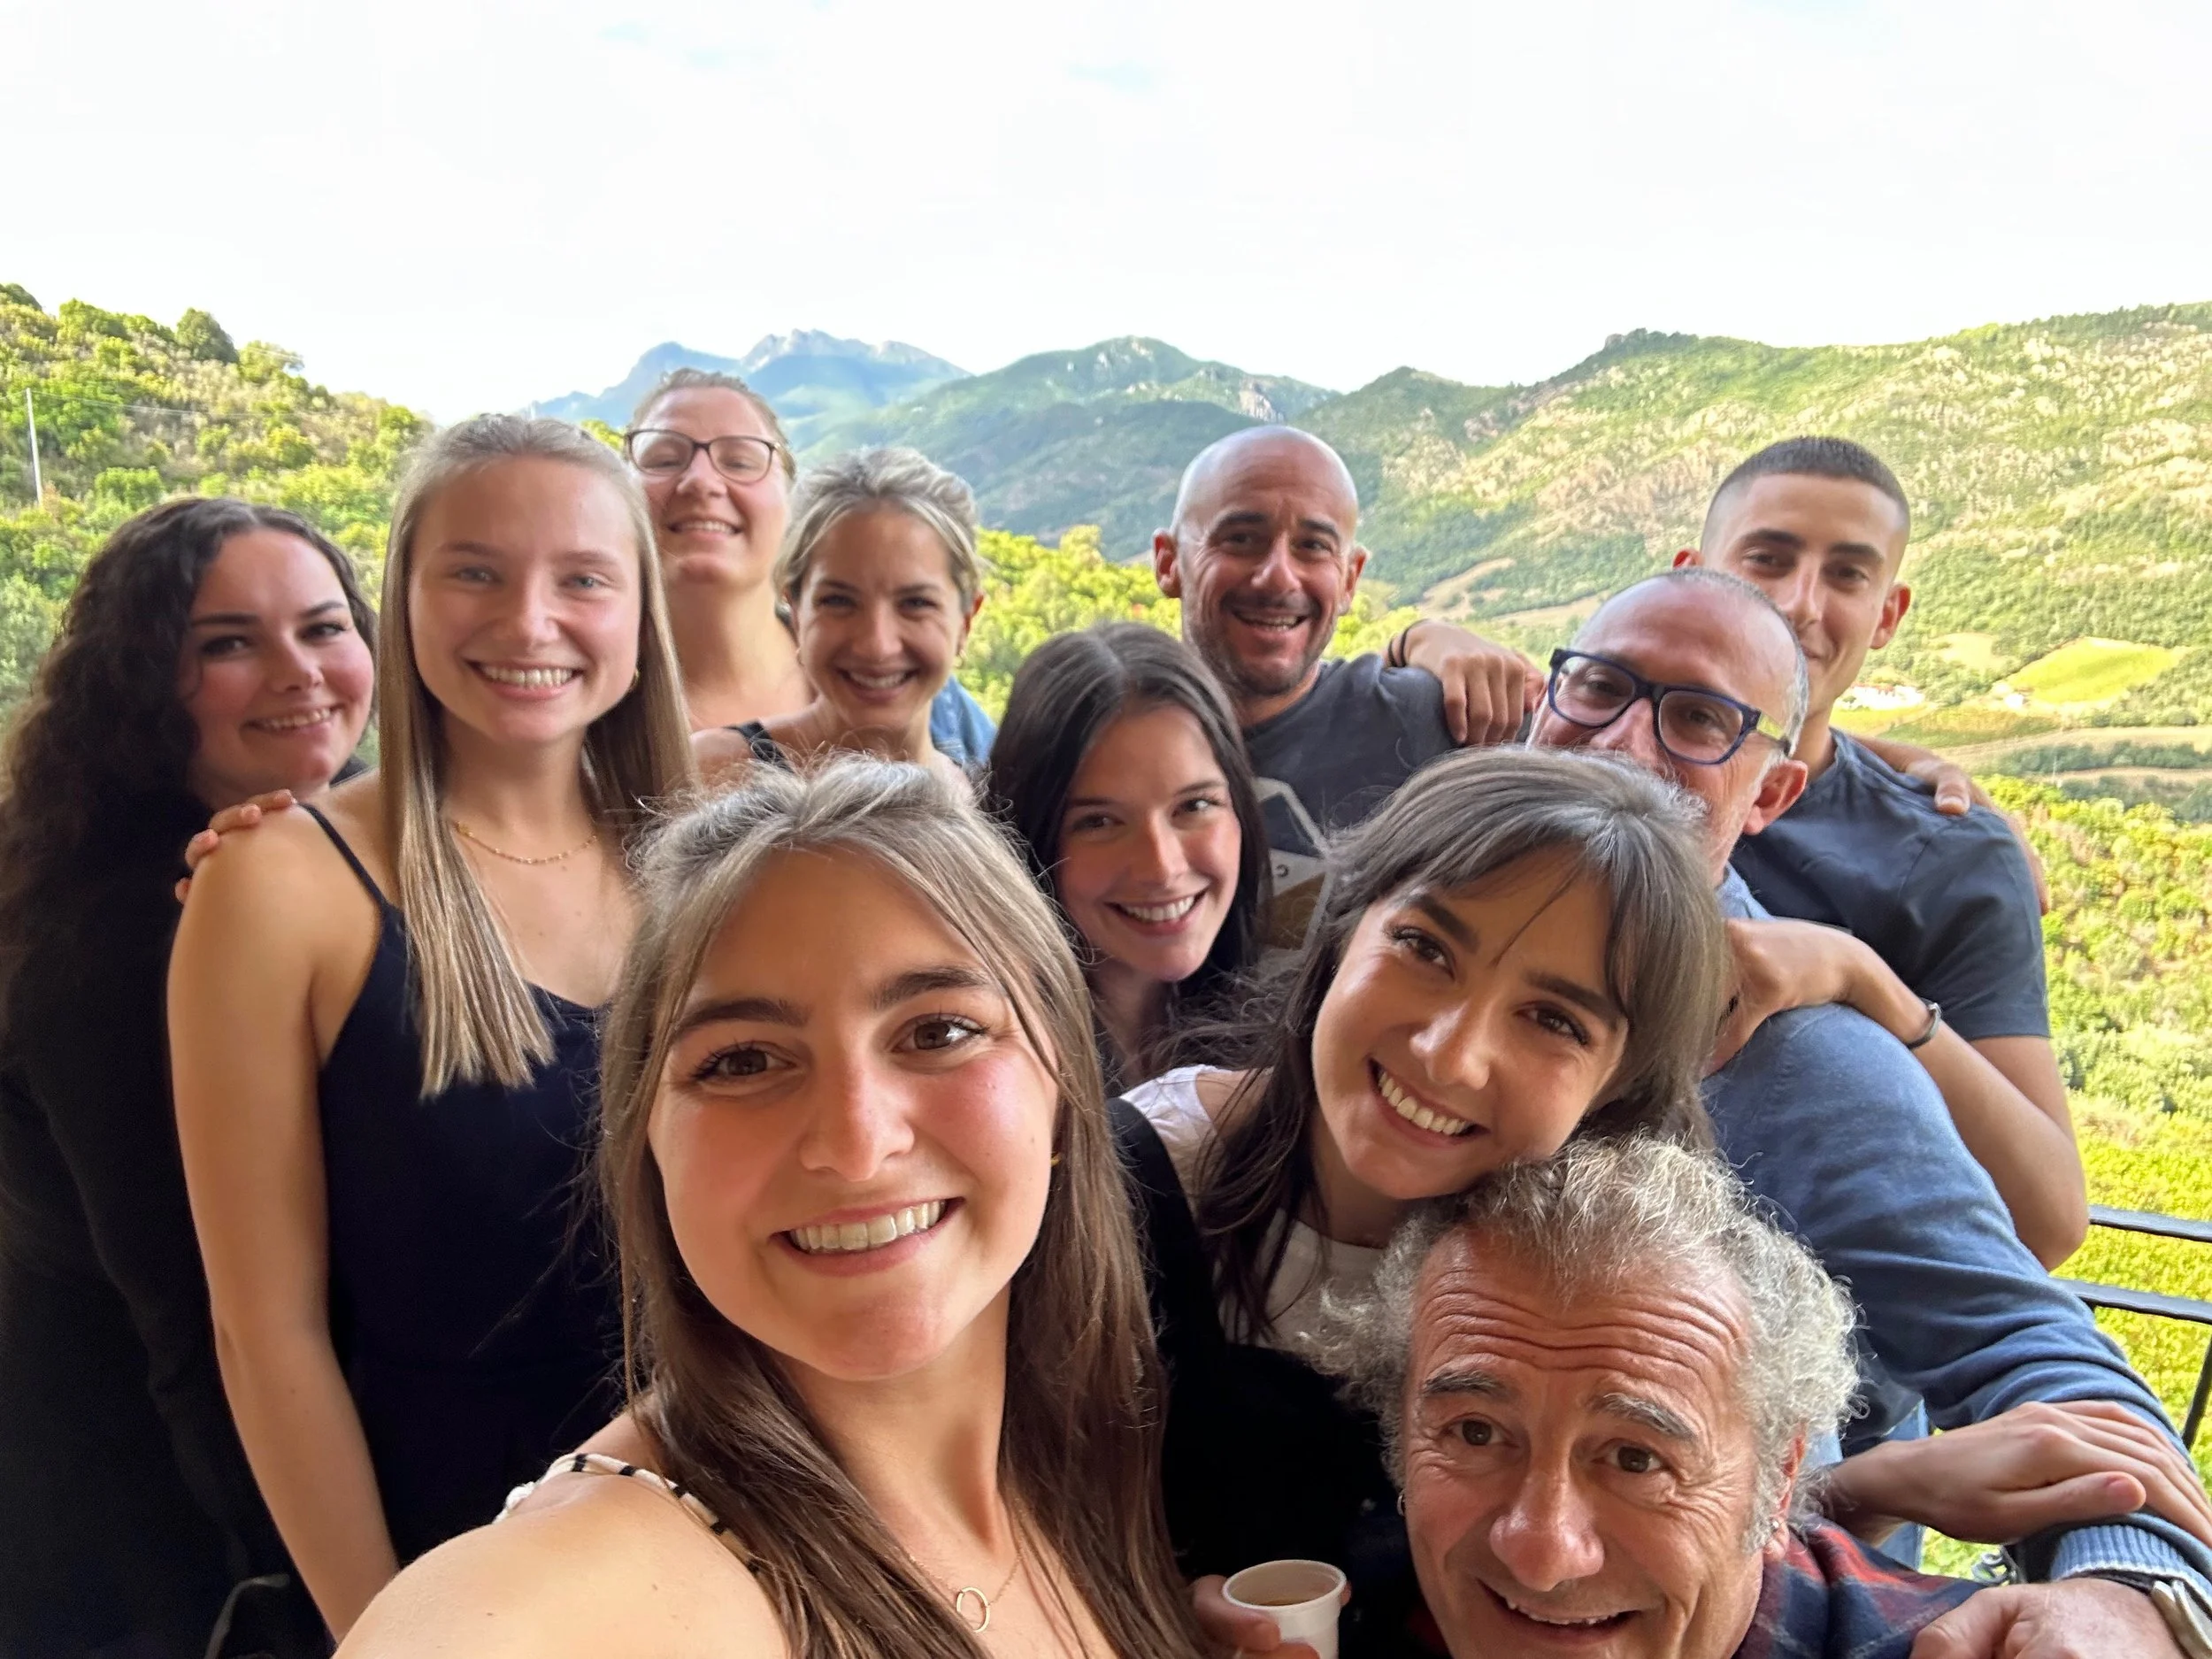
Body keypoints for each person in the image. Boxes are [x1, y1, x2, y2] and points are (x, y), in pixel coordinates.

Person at [1118, 745, 2212, 1657]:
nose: (1452, 1056)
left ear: (1618, 1085)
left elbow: (1660, 1544)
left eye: (1554, 1020)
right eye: (1422, 948)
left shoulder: (1595, 1273)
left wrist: (2130, 1596)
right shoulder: (1131, 1189)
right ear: (1343, 931)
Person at [336, 760, 1206, 1657]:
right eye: (743, 1061)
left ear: (1062, 1090)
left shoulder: (1093, 1457)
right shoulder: (594, 1591)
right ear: (647, 1144)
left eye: (938, 1031)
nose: (856, 1144)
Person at [1523, 570, 2212, 1571]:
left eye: (1698, 717)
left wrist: (2122, 1592)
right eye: (1597, 687)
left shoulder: (1791, 1059)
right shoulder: (1410, 951)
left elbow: (2041, 1355)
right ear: (1542, 705)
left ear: (1769, 792)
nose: (1626, 739)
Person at [168, 415, 695, 1638]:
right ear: (401, 595)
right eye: (475, 570)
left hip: (728, 1527)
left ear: (638, 615)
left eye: (582, 578)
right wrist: (391, 1627)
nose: (528, 621)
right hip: (457, 1552)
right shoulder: (280, 888)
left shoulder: (706, 856)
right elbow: (265, 1331)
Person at [1325, 1134, 2212, 1659]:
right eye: (1476, 1432)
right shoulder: (1329, 1605)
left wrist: (2143, 1593)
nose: (1540, 1553)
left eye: (1637, 1457)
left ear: (1779, 1475)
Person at [0, 499, 374, 1659]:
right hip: (159, 1538)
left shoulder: (303, 848)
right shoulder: (129, 931)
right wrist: (311, 1594)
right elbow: (196, 1313)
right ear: (140, 683)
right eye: (227, 642)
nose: (297, 671)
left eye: (323, 627)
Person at [1672, 436, 2079, 1265]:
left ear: (1888, 615)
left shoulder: (1950, 859)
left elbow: (2047, 1219)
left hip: (1825, 1376)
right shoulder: (1583, 753)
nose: (1800, 603)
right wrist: (1416, 641)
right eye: (1768, 558)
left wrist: (1866, 983)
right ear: (1692, 574)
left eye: (1848, 574)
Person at [1150, 426, 1540, 941]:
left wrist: (1419, 639)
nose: (1279, 577)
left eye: (1313, 547)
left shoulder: (1435, 723)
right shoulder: (1097, 738)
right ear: (1168, 562)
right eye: (1241, 540)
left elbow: (1618, 768)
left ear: (1351, 578)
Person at [625, 366, 997, 761]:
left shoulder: (940, 708)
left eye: (739, 461)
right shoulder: (578, 710)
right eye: (664, 459)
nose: (701, 481)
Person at [988, 622, 1271, 1089]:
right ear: (1030, 838)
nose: (1162, 867)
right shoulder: (1006, 1072)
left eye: (1194, 806)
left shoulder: (1265, 1032)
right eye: (1099, 822)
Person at [691, 446, 981, 790]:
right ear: (797, 612)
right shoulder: (713, 777)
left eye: (916, 603)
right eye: (839, 601)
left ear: (965, 621)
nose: (877, 645)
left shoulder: (981, 805)